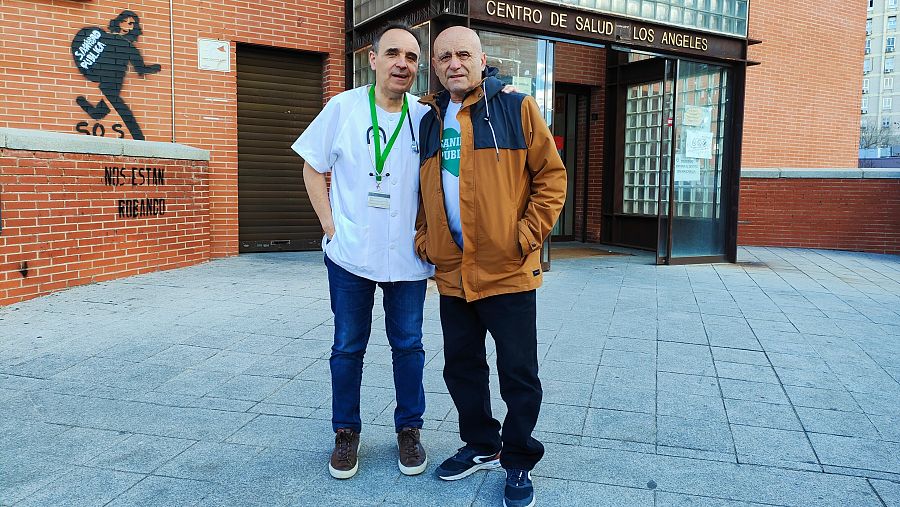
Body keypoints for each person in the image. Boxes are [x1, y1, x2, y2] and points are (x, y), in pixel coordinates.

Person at [415, 26, 567, 507]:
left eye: (463, 54)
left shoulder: (515, 107)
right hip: (454, 274)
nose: (453, 63)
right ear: (435, 67)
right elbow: (425, 189)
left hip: (507, 271)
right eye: (443, 57)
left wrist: (525, 237)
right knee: (462, 369)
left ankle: (518, 458)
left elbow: (551, 178)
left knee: (518, 372)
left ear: (483, 60)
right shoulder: (430, 120)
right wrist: (426, 236)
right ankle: (481, 444)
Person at [290, 23, 433, 480]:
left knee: (409, 346)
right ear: (372, 59)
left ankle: (409, 430)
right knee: (348, 347)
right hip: (350, 254)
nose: (402, 64)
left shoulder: (424, 115)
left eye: (411, 58)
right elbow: (313, 167)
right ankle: (346, 433)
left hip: (408, 259)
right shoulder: (344, 107)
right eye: (393, 53)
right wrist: (330, 227)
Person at [72, 10, 161, 140]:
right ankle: (139, 140)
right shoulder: (120, 43)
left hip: (111, 84)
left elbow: (140, 68)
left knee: (101, 111)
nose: (131, 27)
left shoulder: (120, 43)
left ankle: (89, 107)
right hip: (110, 85)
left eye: (133, 25)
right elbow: (140, 68)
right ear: (120, 23)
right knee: (125, 113)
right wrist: (153, 68)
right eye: (129, 23)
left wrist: (153, 68)